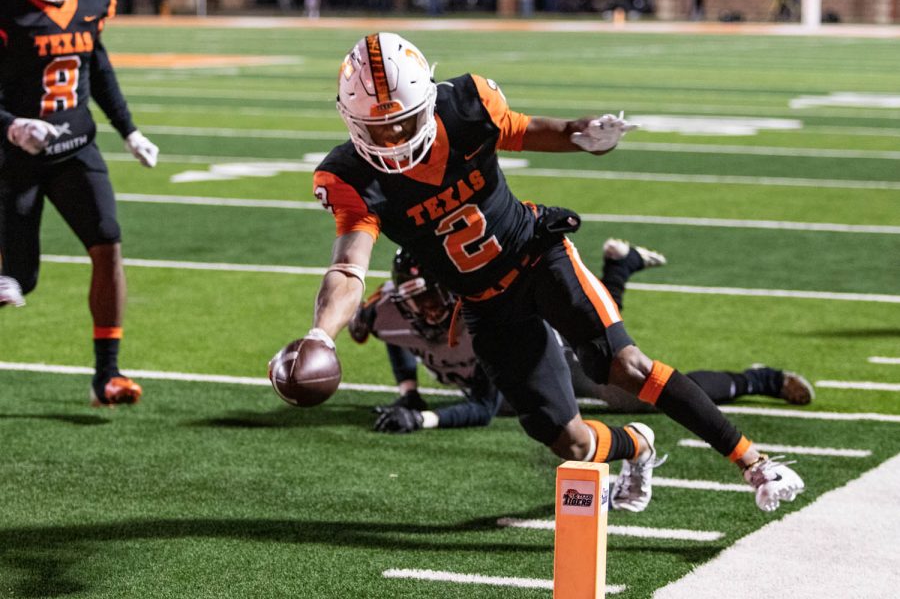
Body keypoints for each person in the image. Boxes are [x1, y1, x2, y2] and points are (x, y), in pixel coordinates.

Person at [292, 32, 804, 513]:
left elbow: (528, 130)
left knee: (626, 366)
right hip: (486, 306)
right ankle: (637, 445)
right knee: (572, 442)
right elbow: (348, 266)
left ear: (427, 99)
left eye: (403, 120)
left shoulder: (467, 106)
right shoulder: (350, 176)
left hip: (536, 255)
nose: (395, 136)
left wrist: (584, 135)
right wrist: (322, 333)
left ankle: (756, 464)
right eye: (380, 127)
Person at [352, 240, 813, 438]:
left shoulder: (477, 317)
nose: (430, 310)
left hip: (538, 349)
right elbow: (394, 333)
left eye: (437, 297)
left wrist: (424, 419)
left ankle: (760, 380)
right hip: (495, 380)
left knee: (628, 386)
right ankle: (622, 264)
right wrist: (408, 391)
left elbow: (484, 407)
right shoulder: (387, 309)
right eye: (420, 299)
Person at [0, 0, 158, 406]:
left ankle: (107, 374)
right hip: (12, 159)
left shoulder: (91, 4)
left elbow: (97, 66)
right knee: (16, 278)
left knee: (107, 241)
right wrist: (12, 126)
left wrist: (129, 130)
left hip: (75, 150)